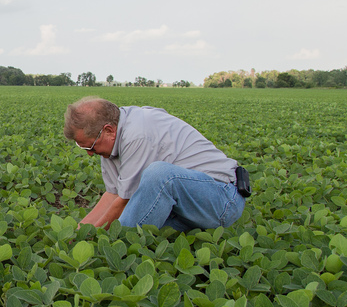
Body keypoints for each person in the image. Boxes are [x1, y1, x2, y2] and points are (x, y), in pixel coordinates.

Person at [63, 96, 247, 231]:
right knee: (155, 237)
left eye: (92, 147)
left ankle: (117, 251)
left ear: (109, 130)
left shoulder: (138, 134)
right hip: (184, 210)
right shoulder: (109, 145)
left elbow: (124, 202)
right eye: (83, 148)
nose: (89, 154)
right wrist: (77, 235)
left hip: (221, 199)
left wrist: (96, 241)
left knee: (160, 175)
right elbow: (112, 196)